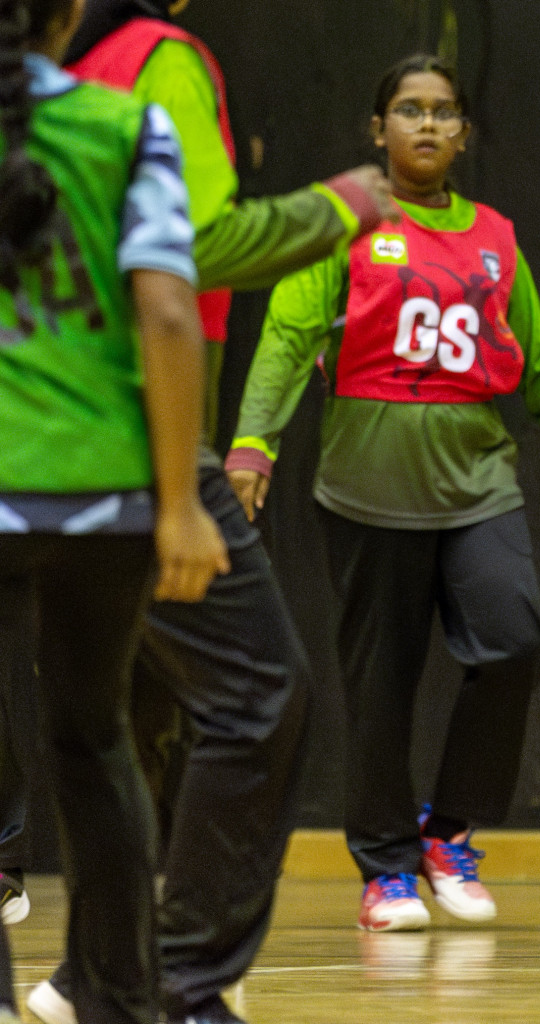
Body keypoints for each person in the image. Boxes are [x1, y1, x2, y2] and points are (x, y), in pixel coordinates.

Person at [13, 1, 396, 1021]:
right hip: (109, 468)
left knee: (114, 723)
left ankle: (106, 977)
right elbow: (182, 283)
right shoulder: (140, 88)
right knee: (219, 703)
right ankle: (165, 983)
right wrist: (338, 206)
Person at [226, 53, 540, 933]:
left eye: (442, 111)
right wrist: (254, 444)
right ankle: (384, 870)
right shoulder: (343, 228)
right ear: (378, 130)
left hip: (478, 483)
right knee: (381, 685)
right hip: (365, 493)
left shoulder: (494, 234)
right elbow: (288, 340)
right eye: (407, 110)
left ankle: (445, 830)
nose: (425, 123)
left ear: (463, 133)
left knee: (515, 641)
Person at [0, 0, 228, 1020]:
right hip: (101, 500)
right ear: (71, 15)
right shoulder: (128, 126)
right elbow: (170, 310)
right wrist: (180, 501)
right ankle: (122, 999)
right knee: (95, 743)